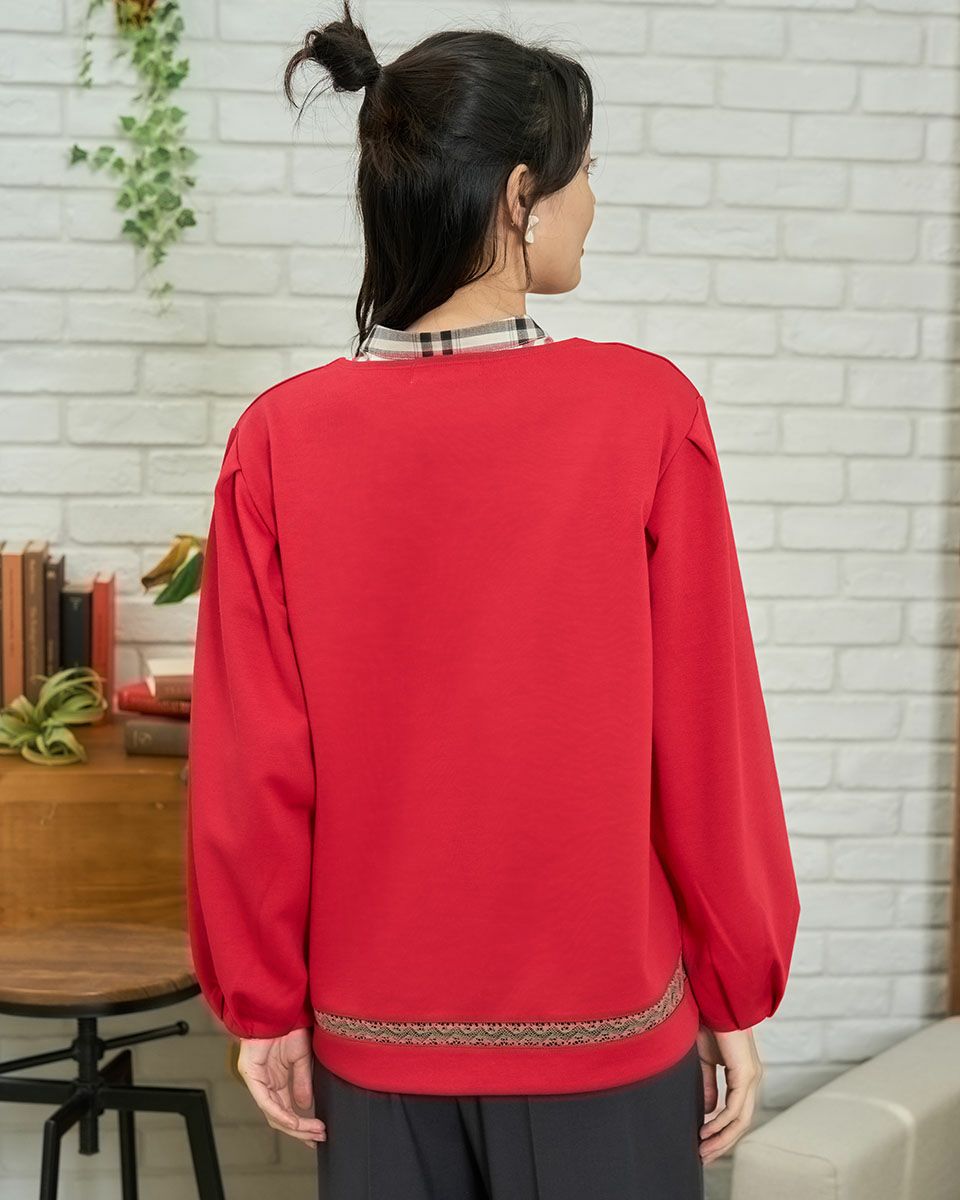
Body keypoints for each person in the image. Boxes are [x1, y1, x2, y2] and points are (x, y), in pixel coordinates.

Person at [184, 4, 802, 1197]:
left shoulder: (279, 441)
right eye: (584, 175)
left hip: (373, 1037)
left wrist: (265, 1004)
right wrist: (734, 985)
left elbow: (253, 764)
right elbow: (706, 737)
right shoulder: (645, 413)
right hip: (610, 1030)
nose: (592, 204)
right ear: (523, 194)